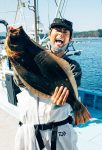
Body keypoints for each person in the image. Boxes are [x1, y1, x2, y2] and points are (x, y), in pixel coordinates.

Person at [15, 18, 82, 150]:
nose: (61, 34)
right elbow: (19, 82)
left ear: (69, 39)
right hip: (28, 129)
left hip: (60, 128)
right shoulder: (31, 57)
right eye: (57, 30)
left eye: (65, 32)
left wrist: (64, 99)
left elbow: (68, 93)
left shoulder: (73, 67)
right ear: (50, 34)